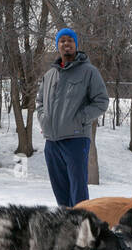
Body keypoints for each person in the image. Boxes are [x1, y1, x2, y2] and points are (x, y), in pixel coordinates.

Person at [37, 28, 110, 206]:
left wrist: (80, 119)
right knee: (60, 191)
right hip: (52, 142)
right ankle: (66, 229)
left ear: (76, 45)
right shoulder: (49, 75)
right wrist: (44, 121)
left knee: (78, 193)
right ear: (58, 46)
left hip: (76, 140)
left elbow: (101, 101)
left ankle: (82, 229)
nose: (66, 44)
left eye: (70, 40)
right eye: (62, 41)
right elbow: (39, 103)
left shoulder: (89, 72)